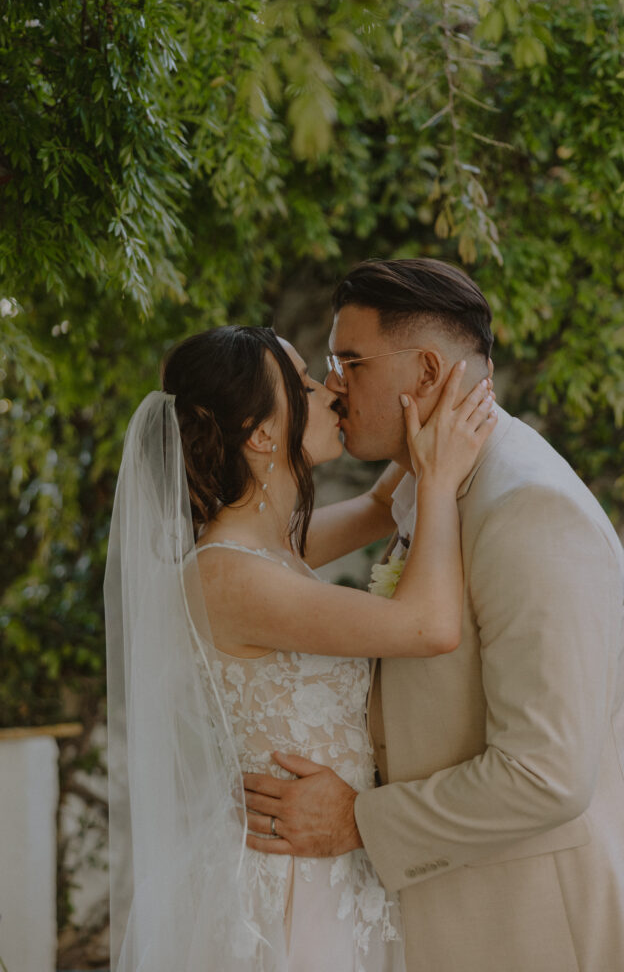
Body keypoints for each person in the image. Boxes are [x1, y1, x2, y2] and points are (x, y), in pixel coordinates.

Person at [244, 259, 624, 972]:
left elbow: (546, 772)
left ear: (425, 370)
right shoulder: (439, 485)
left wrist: (356, 820)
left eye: (349, 361)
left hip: (548, 929)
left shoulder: (527, 508)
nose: (333, 385)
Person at [104, 323, 496, 972]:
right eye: (307, 384)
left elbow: (379, 507)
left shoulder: (270, 549)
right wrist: (438, 478)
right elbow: (428, 626)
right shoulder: (226, 575)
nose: (331, 389)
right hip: (287, 886)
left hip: (331, 862)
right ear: (262, 434)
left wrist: (425, 408)